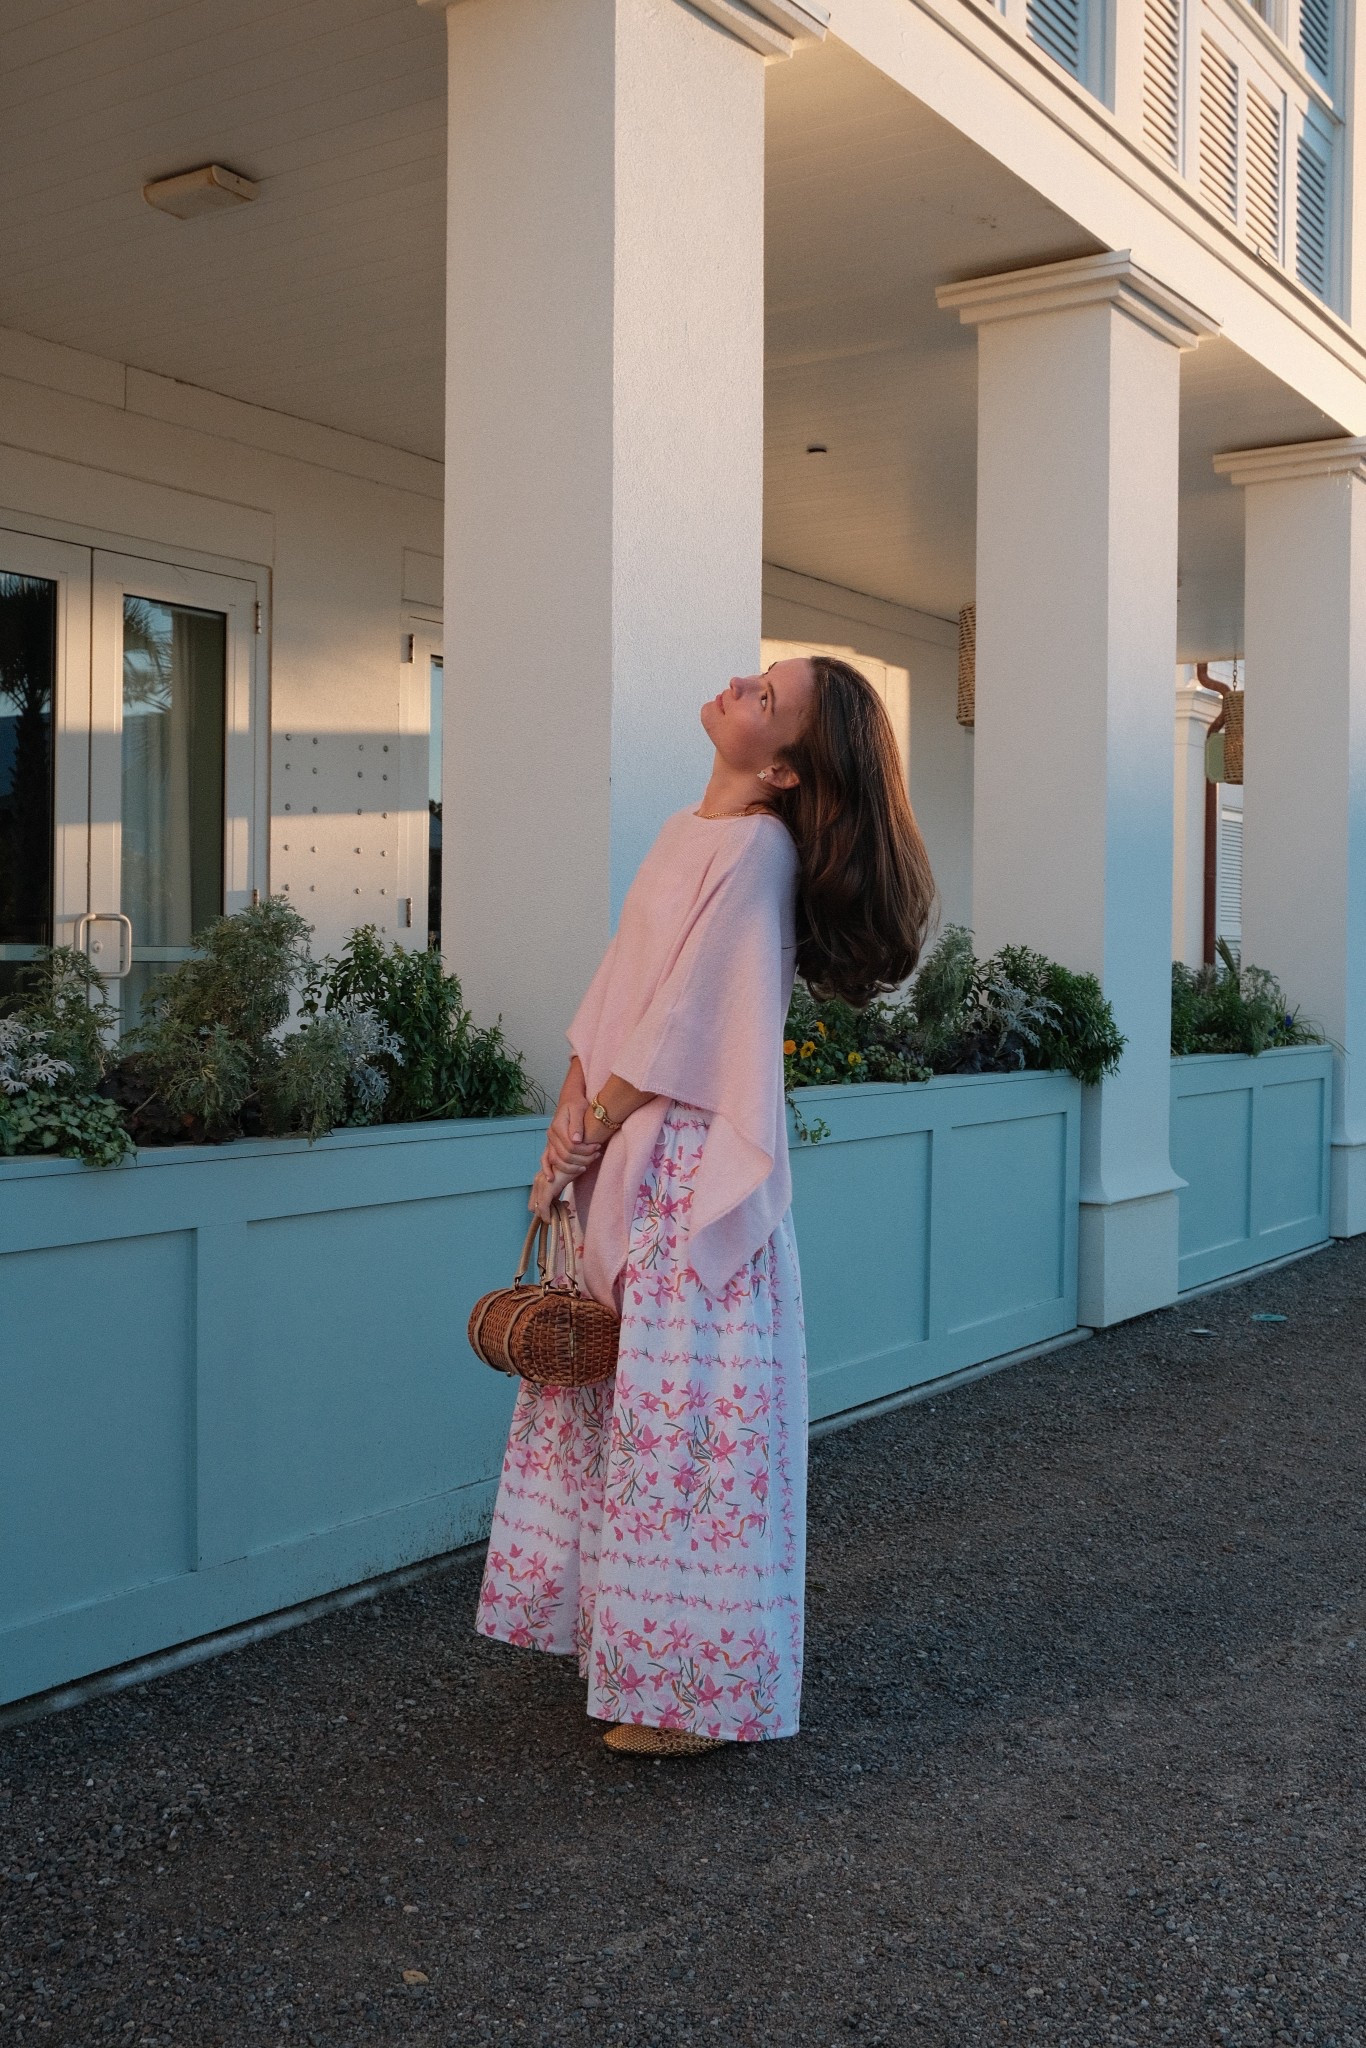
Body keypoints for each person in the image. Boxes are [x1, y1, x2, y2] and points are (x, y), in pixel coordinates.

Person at [476, 654, 936, 1756]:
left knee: (684, 1425)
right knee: (635, 1414)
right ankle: (639, 1648)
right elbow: (623, 980)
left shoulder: (758, 852)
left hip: (685, 1162)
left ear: (782, 770)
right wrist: (571, 1100)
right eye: (755, 676)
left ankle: (695, 1691)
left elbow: (690, 1017)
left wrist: (595, 1119)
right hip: (630, 1136)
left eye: (764, 697)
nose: (740, 683)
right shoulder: (689, 829)